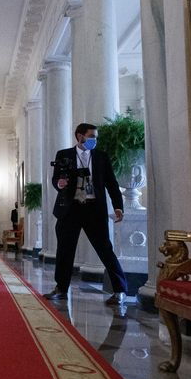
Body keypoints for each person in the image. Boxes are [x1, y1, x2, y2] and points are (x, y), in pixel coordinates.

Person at [44, 122, 130, 305]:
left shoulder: (101, 157)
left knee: (105, 249)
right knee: (65, 251)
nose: (94, 140)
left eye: (95, 137)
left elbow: (112, 184)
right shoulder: (64, 154)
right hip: (70, 209)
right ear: (79, 136)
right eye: (91, 136)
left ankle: (120, 290)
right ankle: (61, 288)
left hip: (94, 209)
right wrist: (59, 184)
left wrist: (118, 206)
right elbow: (55, 178)